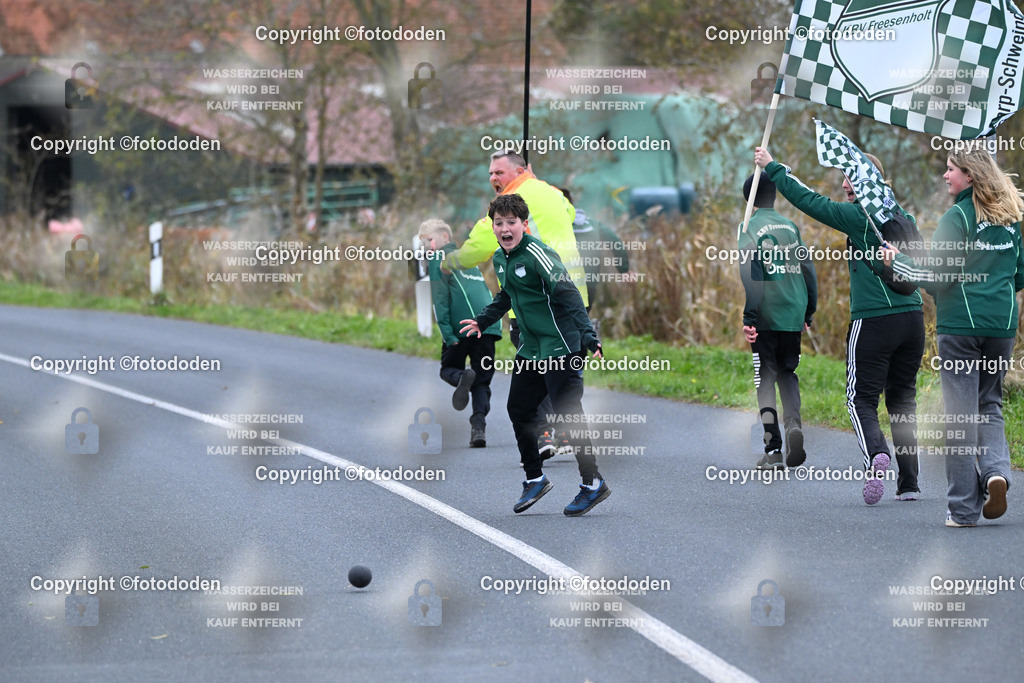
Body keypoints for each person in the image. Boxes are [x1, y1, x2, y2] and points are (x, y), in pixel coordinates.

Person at [754, 147, 923, 505]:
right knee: (902, 399)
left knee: (859, 398)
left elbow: (811, 202)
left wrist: (774, 168)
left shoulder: (860, 217)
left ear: (868, 180)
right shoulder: (902, 215)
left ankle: (876, 454)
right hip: (913, 319)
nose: (845, 184)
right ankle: (909, 482)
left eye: (851, 177)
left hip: (875, 320)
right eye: (843, 177)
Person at [885, 146, 1024, 527]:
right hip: (1001, 328)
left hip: (961, 328)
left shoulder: (957, 216)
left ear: (971, 175)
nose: (946, 176)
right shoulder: (1009, 218)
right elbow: (1021, 273)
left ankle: (963, 510)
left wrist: (898, 262)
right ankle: (996, 473)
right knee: (989, 406)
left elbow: (938, 279)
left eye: (951, 170)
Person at [459, 194, 610, 516]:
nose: (504, 228)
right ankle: (534, 478)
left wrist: (587, 334)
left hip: (561, 345)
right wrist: (483, 319)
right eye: (498, 223)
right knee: (520, 409)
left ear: (524, 225)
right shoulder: (502, 258)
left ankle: (592, 482)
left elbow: (568, 292)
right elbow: (508, 295)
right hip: (531, 347)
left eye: (511, 222)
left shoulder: (539, 254)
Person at [443, 149, 589, 458]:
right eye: (491, 174)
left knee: (537, 366)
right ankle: (566, 435)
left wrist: (445, 262)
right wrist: (534, 180)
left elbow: (477, 249)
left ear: (518, 172)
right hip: (575, 293)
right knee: (563, 369)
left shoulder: (507, 208)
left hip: (537, 298)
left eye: (500, 172)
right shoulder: (551, 192)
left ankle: (549, 436)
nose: (494, 178)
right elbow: (571, 213)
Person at [737, 171, 817, 470]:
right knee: (788, 373)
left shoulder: (747, 228)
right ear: (775, 196)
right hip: (793, 312)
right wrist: (809, 310)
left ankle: (773, 449)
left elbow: (752, 276)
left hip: (766, 316)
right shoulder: (790, 226)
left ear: (748, 198)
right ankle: (794, 425)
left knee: (765, 381)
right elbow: (808, 269)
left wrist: (749, 316)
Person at [420, 219, 501, 447]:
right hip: (487, 327)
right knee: (482, 380)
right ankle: (478, 429)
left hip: (462, 328)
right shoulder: (467, 258)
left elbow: (439, 299)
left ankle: (460, 378)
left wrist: (448, 334)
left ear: (445, 237)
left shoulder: (438, 259)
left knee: (448, 369)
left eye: (430, 240)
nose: (428, 247)